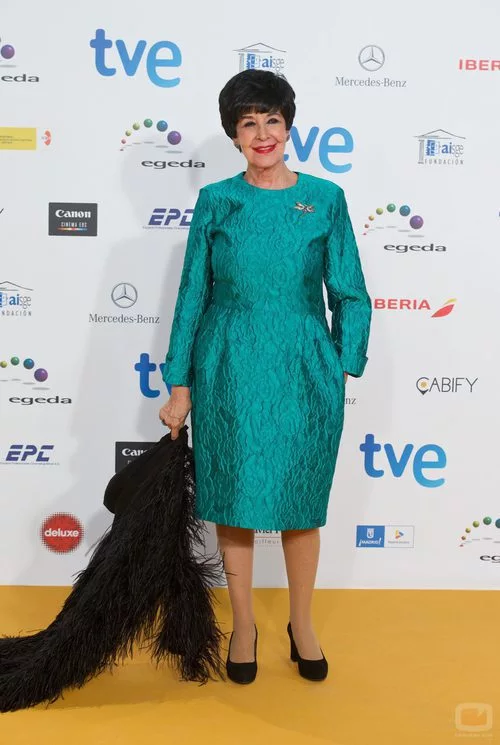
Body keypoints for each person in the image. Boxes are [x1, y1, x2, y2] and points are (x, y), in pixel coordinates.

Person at [159, 69, 371, 684]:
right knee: (234, 497)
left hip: (305, 367)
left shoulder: (325, 198)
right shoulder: (217, 200)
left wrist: (341, 364)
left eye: (271, 120)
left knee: (303, 502)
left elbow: (350, 293)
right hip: (227, 364)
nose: (261, 134)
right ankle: (245, 624)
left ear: (288, 126)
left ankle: (302, 624)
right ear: (234, 134)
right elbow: (192, 295)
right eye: (247, 123)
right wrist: (179, 383)